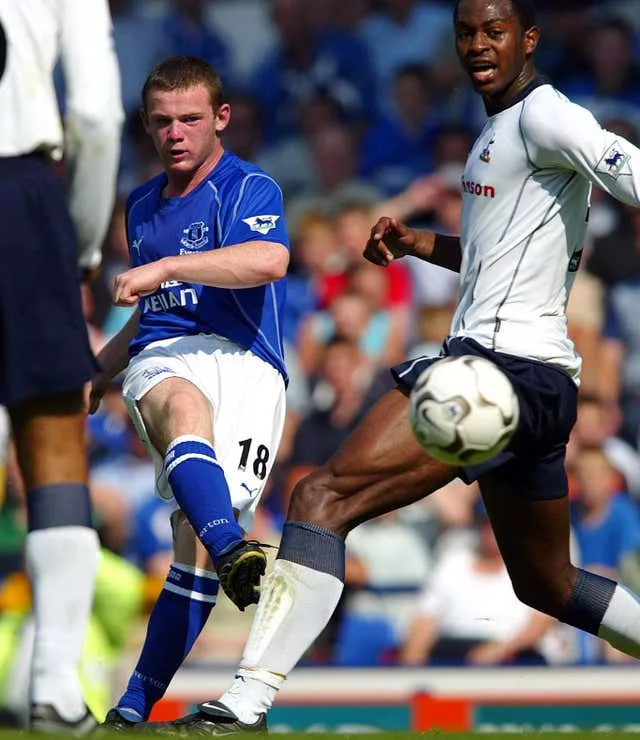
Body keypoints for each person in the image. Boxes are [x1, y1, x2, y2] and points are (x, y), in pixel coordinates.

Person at [137, 0, 640, 734]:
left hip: (497, 372)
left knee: (320, 500)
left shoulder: (545, 115)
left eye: (495, 31)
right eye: (466, 31)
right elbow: (495, 264)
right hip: (537, 381)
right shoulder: (499, 133)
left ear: (529, 39)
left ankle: (242, 703)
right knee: (548, 583)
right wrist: (418, 243)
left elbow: (629, 170)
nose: (477, 45)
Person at [90, 55, 289, 731]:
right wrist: (103, 368)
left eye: (191, 120)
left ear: (221, 119)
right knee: (181, 409)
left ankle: (132, 708)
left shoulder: (249, 187)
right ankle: (237, 549)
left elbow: (269, 261)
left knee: (191, 547)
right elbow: (153, 310)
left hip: (253, 368)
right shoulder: (141, 204)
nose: (175, 133)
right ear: (147, 125)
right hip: (167, 355)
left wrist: (168, 265)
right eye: (162, 121)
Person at [0, 0, 122, 734]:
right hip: (19, 198)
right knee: (52, 444)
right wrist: (78, 242)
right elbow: (99, 116)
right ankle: (54, 687)